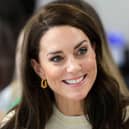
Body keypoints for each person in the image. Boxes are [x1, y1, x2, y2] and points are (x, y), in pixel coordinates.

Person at [0, 0, 129, 129]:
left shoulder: (124, 116)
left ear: (94, 50)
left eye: (81, 51)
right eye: (57, 58)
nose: (73, 67)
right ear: (39, 69)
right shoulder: (16, 124)